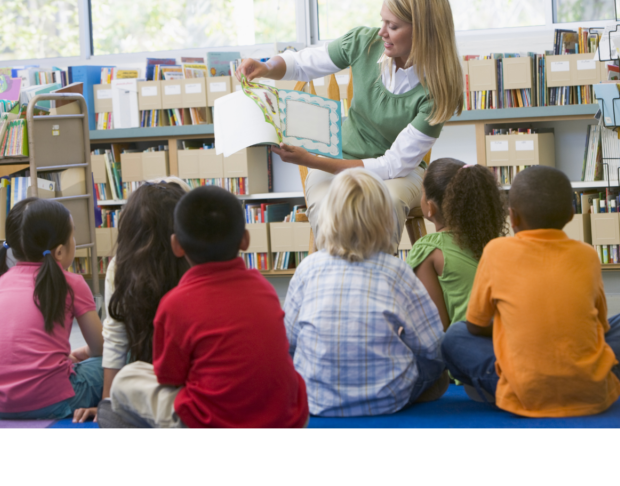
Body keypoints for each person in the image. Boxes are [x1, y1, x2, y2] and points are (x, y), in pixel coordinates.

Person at [236, 0, 464, 252]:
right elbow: (305, 63)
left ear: (424, 33)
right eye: (382, 22)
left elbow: (393, 165)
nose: (382, 32)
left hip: (399, 172)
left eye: (393, 26)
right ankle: (333, 280)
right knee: (325, 203)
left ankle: (379, 280)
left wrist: (313, 161)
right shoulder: (365, 43)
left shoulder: (436, 92)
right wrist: (266, 67)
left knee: (387, 202)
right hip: (339, 156)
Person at [442, 166, 620, 418]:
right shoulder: (588, 255)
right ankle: (598, 385)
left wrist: (514, 327)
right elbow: (601, 326)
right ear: (572, 214)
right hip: (589, 390)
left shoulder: (496, 251)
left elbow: (475, 326)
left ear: (513, 216)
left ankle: (502, 391)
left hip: (524, 391)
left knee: (454, 336)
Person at [108, 186, 308, 429]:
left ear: (176, 245)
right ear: (245, 240)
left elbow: (170, 379)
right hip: (286, 419)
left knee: (127, 378)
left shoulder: (174, 304)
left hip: (211, 421)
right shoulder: (265, 289)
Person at [284, 168, 447, 417]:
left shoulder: (307, 268)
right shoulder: (397, 271)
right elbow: (430, 346)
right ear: (387, 220)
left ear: (328, 216)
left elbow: (289, 342)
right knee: (437, 375)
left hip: (316, 400)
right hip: (386, 399)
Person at [69, 181, 190, 424]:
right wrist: (106, 405)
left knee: (124, 377)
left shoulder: (122, 266)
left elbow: (115, 340)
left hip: (180, 382)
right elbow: (115, 338)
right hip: (186, 383)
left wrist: (108, 406)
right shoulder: (121, 267)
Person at [0, 198, 104, 419]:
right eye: (72, 235)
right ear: (59, 252)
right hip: (54, 401)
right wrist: (82, 354)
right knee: (124, 354)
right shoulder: (72, 283)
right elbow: (102, 348)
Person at [406, 159, 506, 331]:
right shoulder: (497, 243)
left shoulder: (428, 250)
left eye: (422, 192)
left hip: (468, 349)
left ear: (430, 207)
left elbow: (435, 330)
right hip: (507, 345)